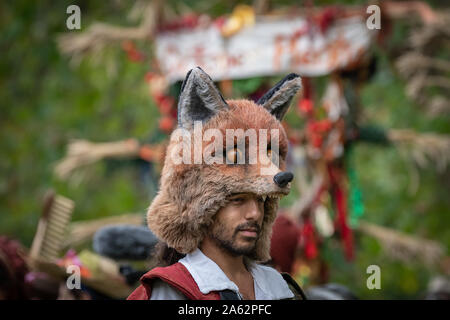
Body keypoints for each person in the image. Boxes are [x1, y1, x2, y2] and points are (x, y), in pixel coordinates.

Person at [128, 67, 305, 300]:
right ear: (201, 208)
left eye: (261, 201)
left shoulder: (279, 288)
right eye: (238, 199)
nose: (254, 213)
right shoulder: (173, 290)